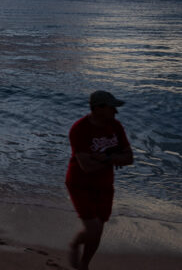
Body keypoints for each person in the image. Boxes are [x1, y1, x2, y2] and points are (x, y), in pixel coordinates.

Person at [65, 90, 134, 269]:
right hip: (80, 184)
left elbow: (129, 158)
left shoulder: (116, 126)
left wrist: (104, 158)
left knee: (98, 231)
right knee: (93, 230)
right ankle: (73, 244)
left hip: (105, 185)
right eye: (112, 108)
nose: (115, 112)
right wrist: (113, 158)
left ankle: (84, 265)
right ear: (98, 108)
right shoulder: (79, 129)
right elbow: (86, 167)